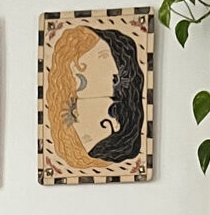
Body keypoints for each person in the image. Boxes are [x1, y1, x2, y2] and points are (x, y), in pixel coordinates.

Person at [46, 26, 145, 173]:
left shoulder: (118, 129)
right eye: (103, 57)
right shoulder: (75, 140)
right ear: (76, 66)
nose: (115, 71)